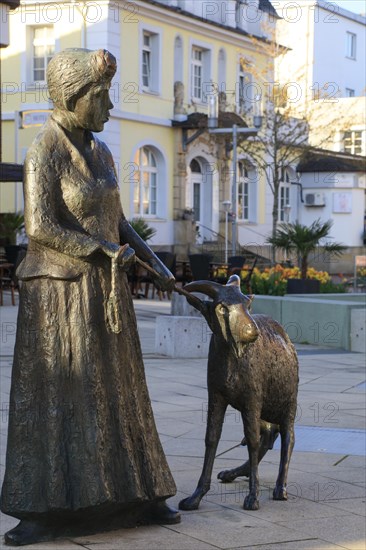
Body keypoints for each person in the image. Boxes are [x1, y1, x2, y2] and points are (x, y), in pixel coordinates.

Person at [0, 48, 180, 546]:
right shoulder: (45, 150)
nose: (107, 107)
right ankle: (44, 506)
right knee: (61, 396)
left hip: (105, 289)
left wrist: (158, 265)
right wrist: (101, 251)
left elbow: (118, 220)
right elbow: (40, 226)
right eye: (100, 97)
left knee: (120, 393)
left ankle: (138, 492)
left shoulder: (100, 152)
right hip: (59, 295)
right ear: (74, 96)